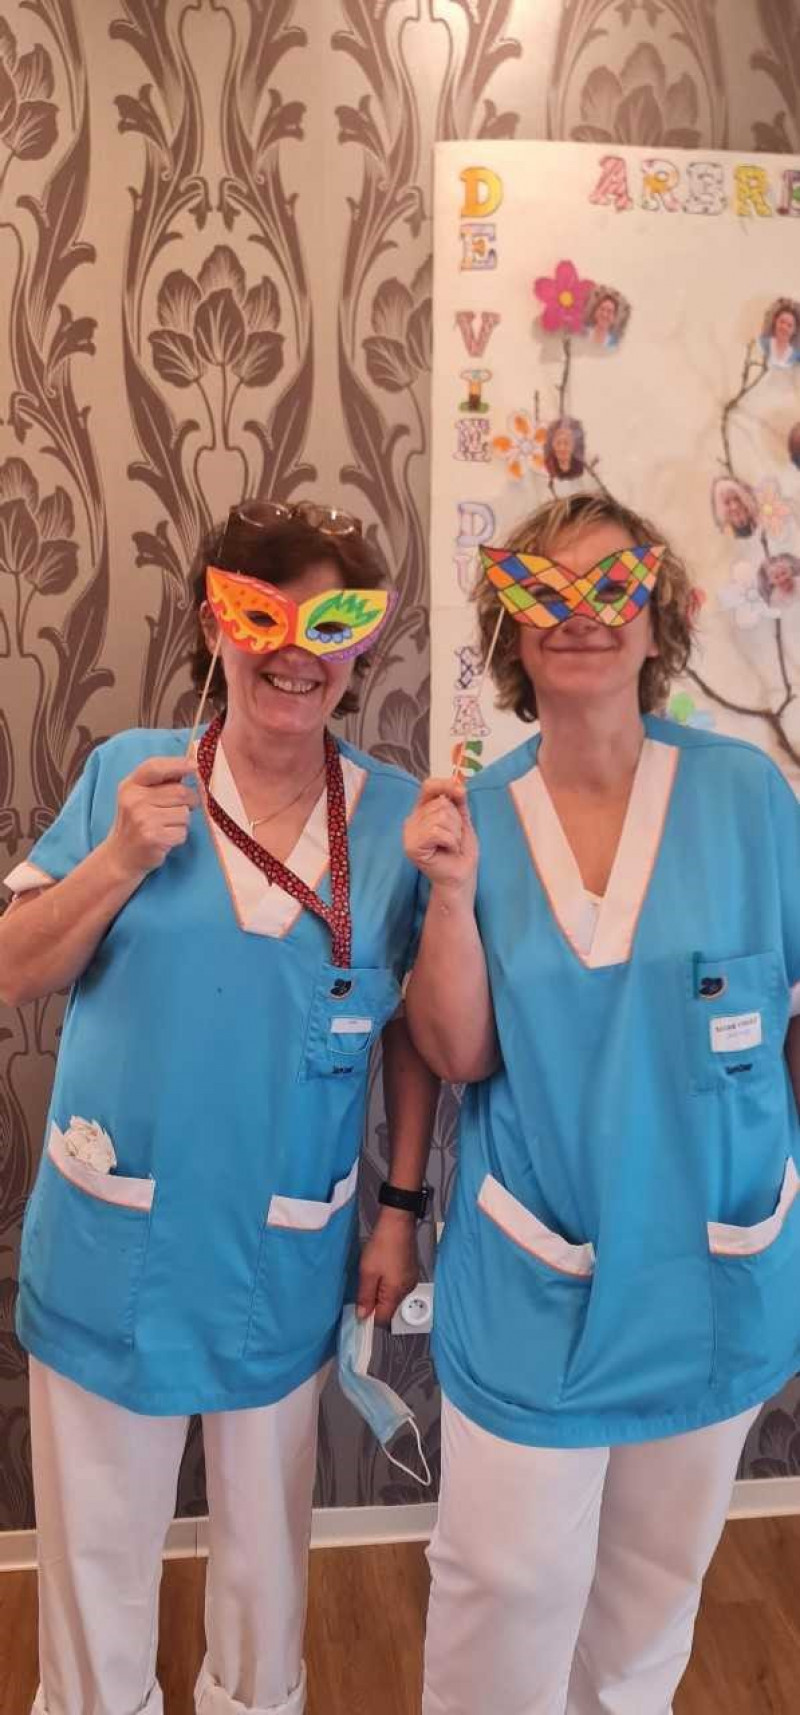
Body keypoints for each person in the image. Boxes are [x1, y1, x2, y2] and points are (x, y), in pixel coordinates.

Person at [1, 500, 438, 1715]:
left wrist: (399, 1206)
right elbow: (14, 966)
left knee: (263, 1560)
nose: (293, 650)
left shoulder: (396, 819)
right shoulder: (129, 773)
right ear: (213, 625)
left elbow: (413, 1032)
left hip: (277, 1246)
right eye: (261, 615)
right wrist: (116, 860)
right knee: (95, 1558)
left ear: (360, 645)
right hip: (116, 1243)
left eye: (328, 622)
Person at [404, 491, 800, 1715]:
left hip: (711, 1268)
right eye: (544, 592)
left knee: (647, 1602)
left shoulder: (746, 798)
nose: (578, 616)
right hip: (537, 1278)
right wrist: (452, 897)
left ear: (655, 618)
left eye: (610, 587)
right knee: (504, 1586)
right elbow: (456, 1051)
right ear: (509, 629)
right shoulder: (471, 821)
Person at [760, 299, 800, 369]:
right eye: (782, 322)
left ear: (795, 330)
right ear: (775, 321)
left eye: (789, 325)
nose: (784, 327)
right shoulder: (763, 344)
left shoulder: (797, 355)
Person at [545, 417, 585, 482]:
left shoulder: (580, 467)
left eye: (566, 443)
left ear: (573, 445)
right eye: (558, 443)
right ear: (552, 444)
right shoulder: (547, 466)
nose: (562, 448)